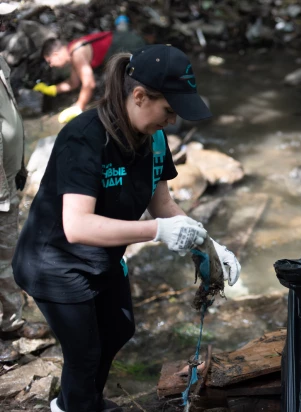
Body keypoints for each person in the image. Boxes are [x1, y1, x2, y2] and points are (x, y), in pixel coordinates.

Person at [12, 44, 241, 412]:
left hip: (103, 256)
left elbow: (162, 203)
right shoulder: (85, 137)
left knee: (120, 329)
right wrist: (156, 233)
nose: (172, 121)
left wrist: (208, 245)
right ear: (138, 96)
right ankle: (77, 406)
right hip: (55, 263)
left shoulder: (155, 139)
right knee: (85, 352)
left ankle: (75, 403)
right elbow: (77, 224)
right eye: (168, 110)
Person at [33, 30, 146, 123]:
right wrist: (51, 89)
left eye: (49, 61)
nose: (51, 65)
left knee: (141, 80)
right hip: (120, 43)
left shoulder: (77, 54)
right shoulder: (72, 51)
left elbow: (89, 84)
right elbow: (73, 83)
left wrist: (79, 107)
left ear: (55, 55)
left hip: (126, 43)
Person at [0, 3, 29, 363]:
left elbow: (11, 117)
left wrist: (19, 166)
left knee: (9, 258)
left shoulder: (1, 63)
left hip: (9, 181)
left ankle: (11, 322)